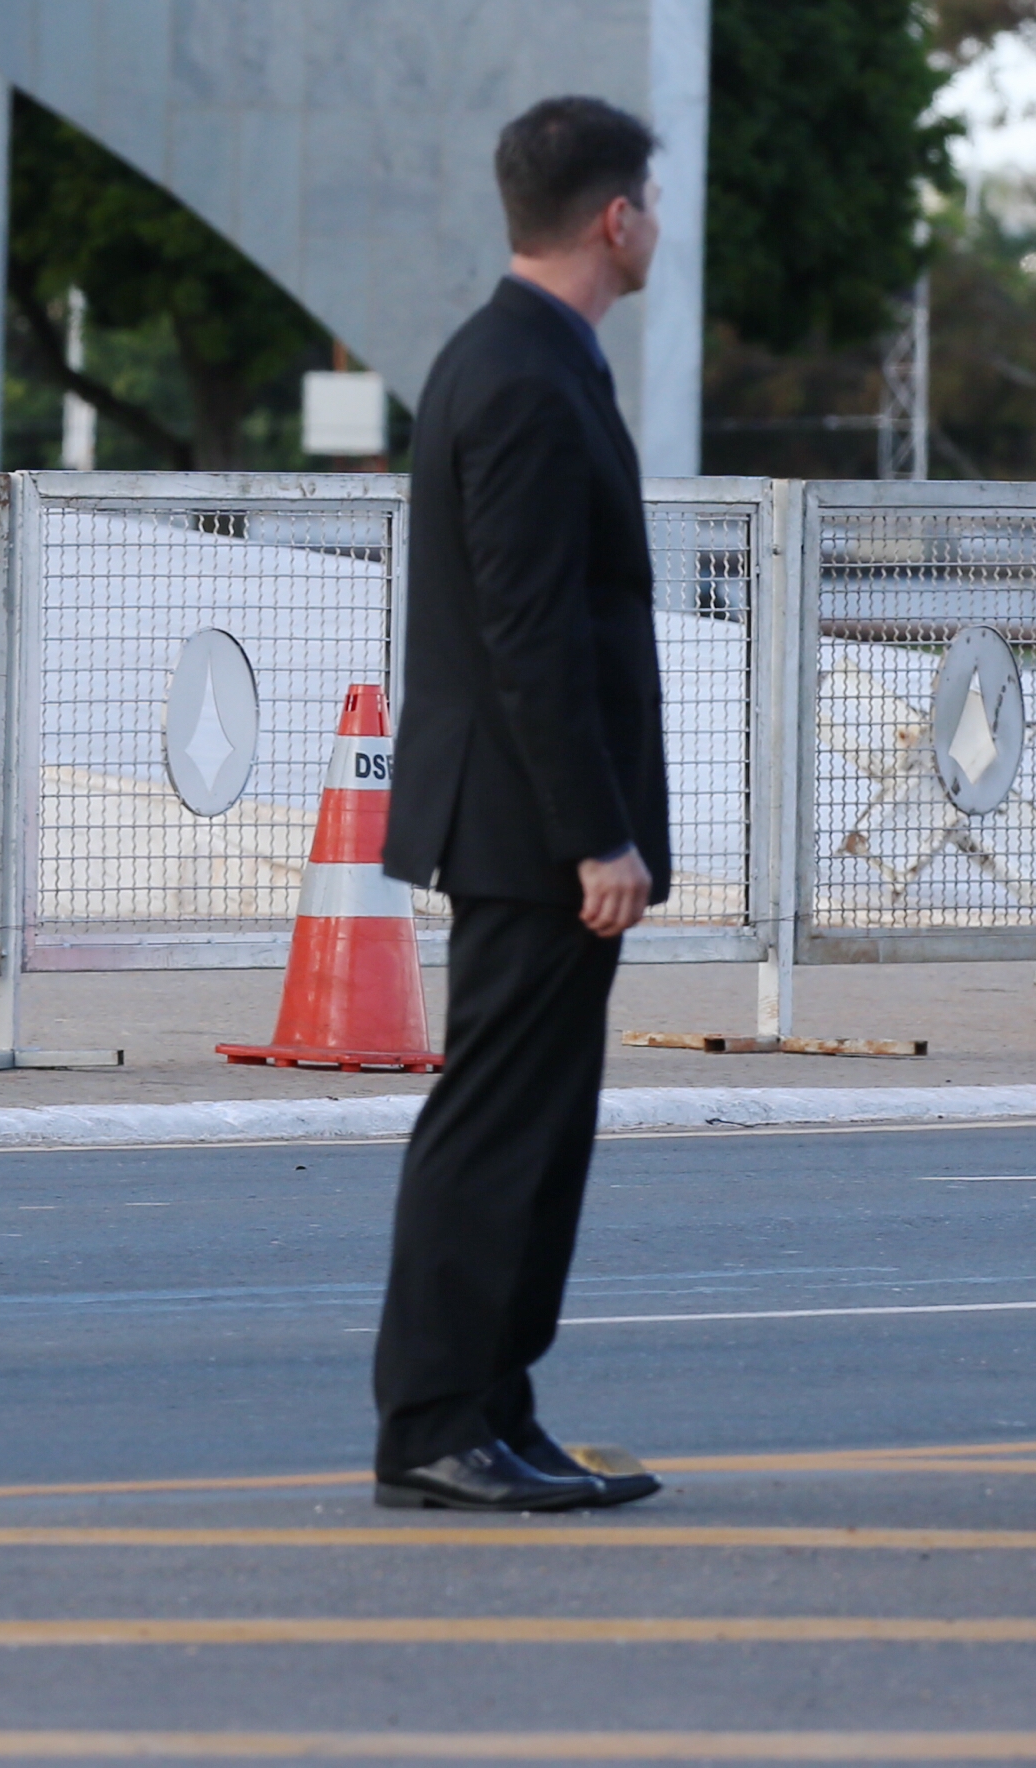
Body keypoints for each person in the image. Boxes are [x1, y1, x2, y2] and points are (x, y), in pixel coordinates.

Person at [366, 94, 676, 1516]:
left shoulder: (530, 359)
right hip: (528, 830)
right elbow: (530, 634)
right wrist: (594, 834)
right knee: (498, 1127)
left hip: (526, 820)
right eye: (650, 206)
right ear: (616, 220)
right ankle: (438, 1418)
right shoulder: (523, 377)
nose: (655, 228)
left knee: (539, 1130)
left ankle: (494, 1404)